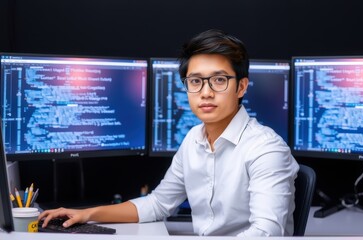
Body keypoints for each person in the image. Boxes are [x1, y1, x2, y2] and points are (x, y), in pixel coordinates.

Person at [38, 29, 300, 236]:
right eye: (196, 81)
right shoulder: (193, 140)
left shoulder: (266, 149)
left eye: (219, 80)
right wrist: (87, 214)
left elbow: (266, 232)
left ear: (241, 87)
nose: (206, 92)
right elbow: (157, 204)